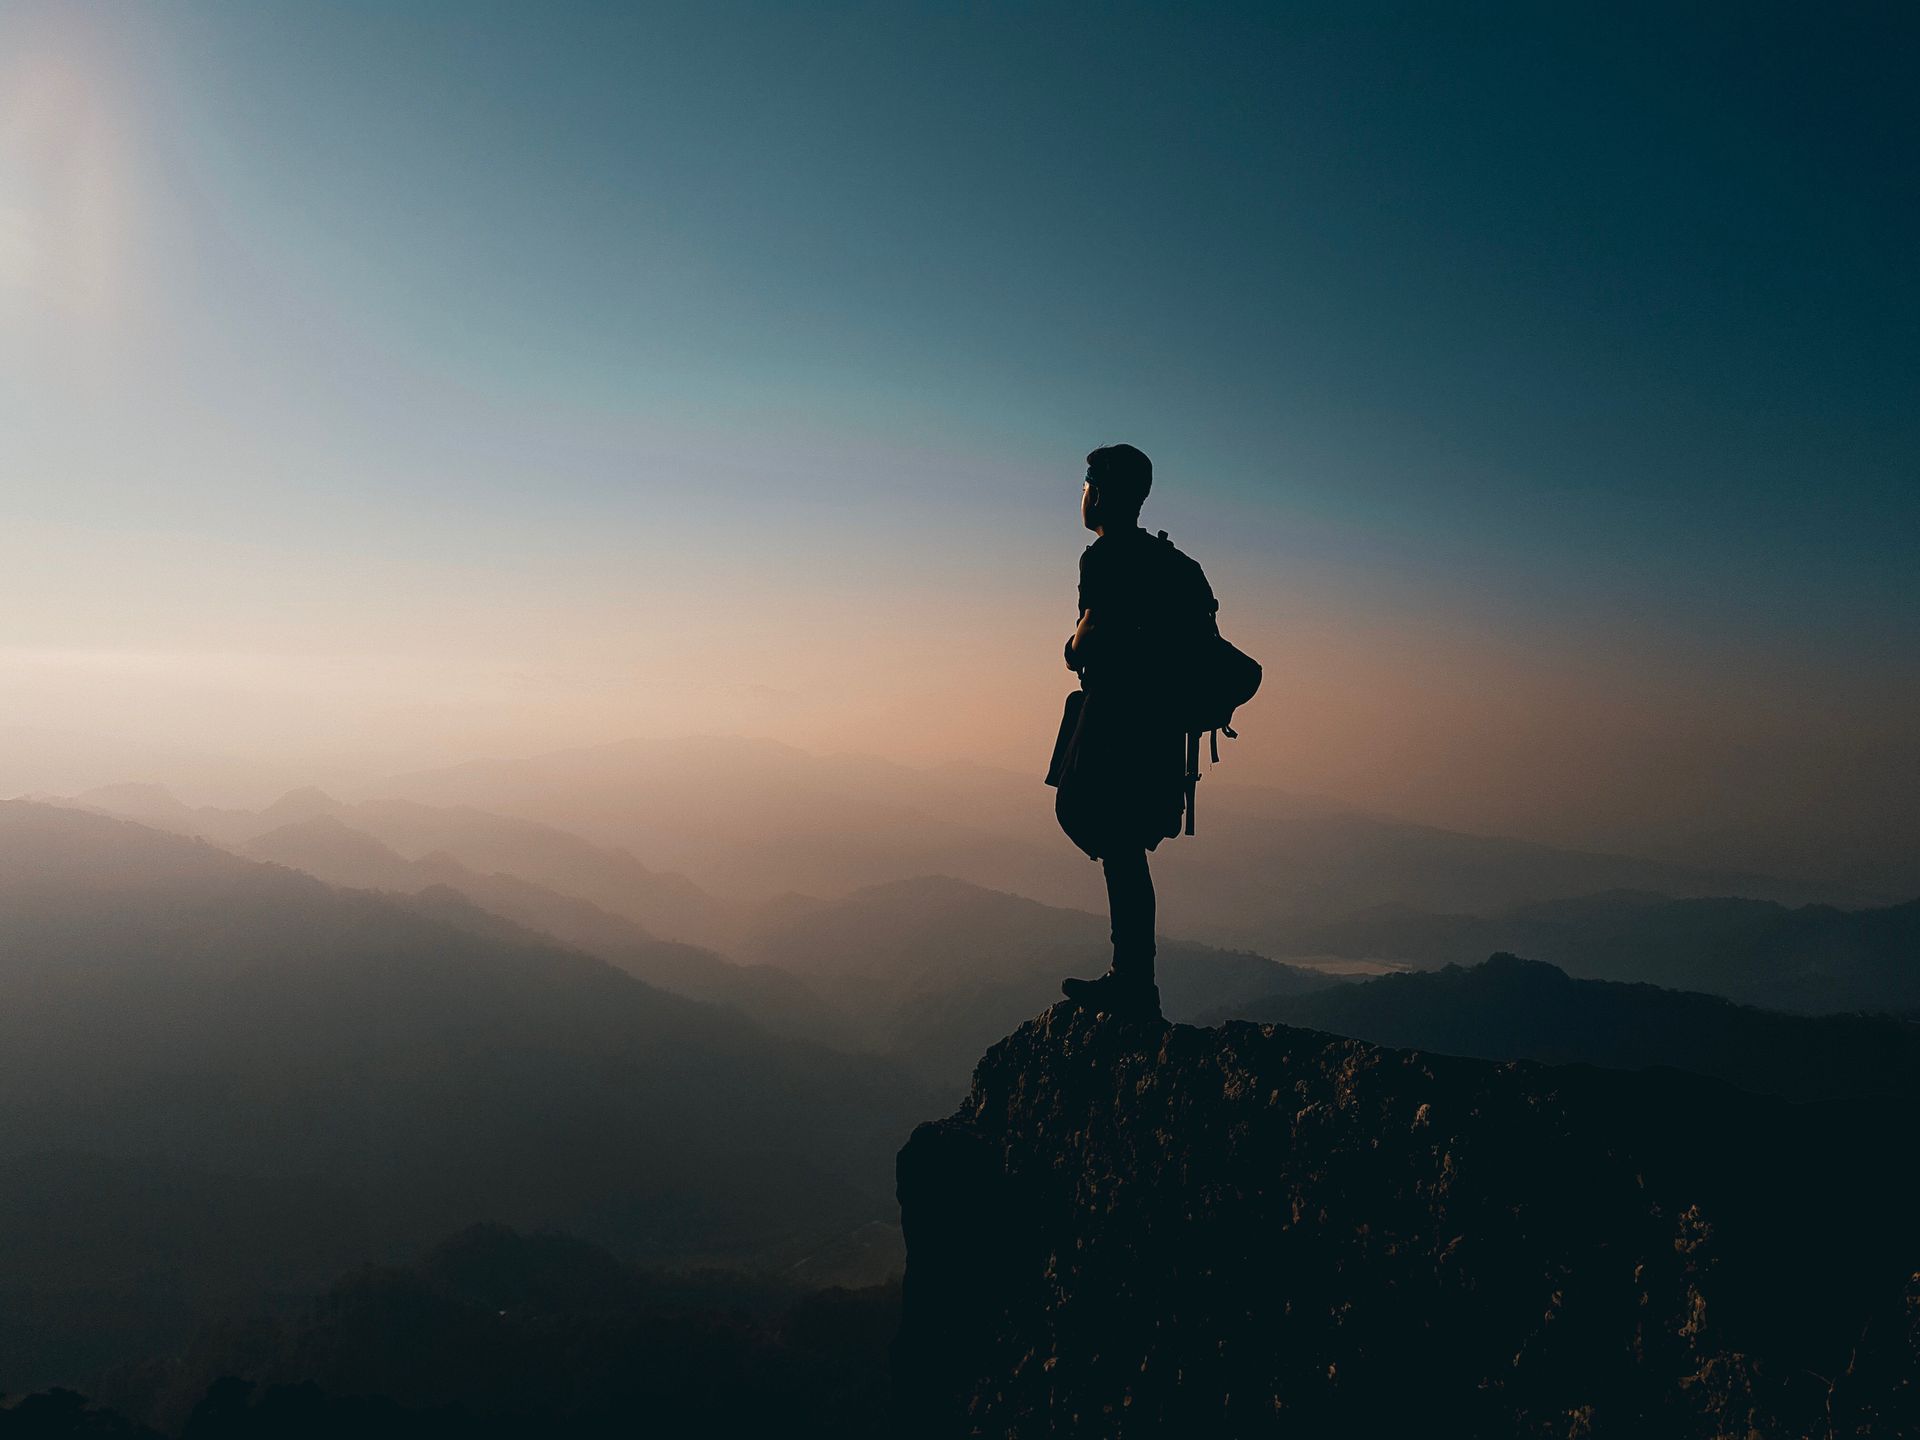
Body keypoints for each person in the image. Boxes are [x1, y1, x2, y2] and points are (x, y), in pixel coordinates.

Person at [1051, 444, 1217, 1017]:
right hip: (1161, 731)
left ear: (1099, 492)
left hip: (1115, 723)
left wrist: (1069, 647)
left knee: (1114, 843)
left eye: (1085, 484)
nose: (1082, 495)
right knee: (1125, 852)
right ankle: (1133, 976)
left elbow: (1090, 639)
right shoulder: (1171, 564)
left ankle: (1133, 982)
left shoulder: (1103, 557)